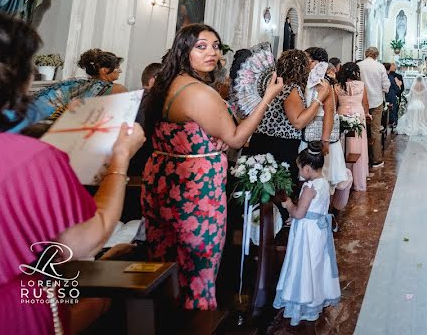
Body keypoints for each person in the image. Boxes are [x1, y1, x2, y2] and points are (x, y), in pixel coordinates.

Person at [0, 8, 145, 335]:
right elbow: (83, 242)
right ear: (5, 79)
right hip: (3, 316)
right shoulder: (28, 158)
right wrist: (120, 159)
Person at [140, 24, 284, 309]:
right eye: (201, 46)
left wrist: (205, 143)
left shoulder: (164, 86)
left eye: (216, 46)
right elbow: (237, 138)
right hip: (195, 192)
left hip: (160, 181)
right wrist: (267, 98)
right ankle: (196, 318)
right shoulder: (199, 93)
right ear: (184, 50)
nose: (212, 52)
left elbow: (181, 133)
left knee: (165, 267)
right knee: (197, 271)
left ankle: (166, 319)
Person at [274, 144, 341, 326]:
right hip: (318, 231)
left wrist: (288, 204)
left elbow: (299, 213)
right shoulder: (324, 182)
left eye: (299, 168)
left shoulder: (309, 187)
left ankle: (302, 300)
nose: (299, 172)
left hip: (307, 233)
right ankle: (317, 295)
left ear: (307, 169)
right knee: (317, 263)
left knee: (303, 263)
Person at [244, 49, 327, 185]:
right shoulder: (291, 88)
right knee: (280, 190)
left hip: (261, 140)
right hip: (279, 145)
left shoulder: (273, 85)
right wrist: (319, 99)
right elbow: (298, 122)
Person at [303, 47, 351, 216]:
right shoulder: (306, 81)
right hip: (308, 133)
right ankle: (308, 212)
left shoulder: (324, 83)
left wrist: (325, 140)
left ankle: (326, 215)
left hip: (324, 135)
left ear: (315, 62)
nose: (305, 63)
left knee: (326, 178)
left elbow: (330, 111)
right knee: (309, 178)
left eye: (307, 59)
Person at [27, 48, 129, 124]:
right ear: (104, 70)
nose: (120, 71)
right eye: (117, 67)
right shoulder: (118, 89)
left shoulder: (75, 83)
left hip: (31, 119)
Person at [336, 62, 370, 191]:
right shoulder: (361, 85)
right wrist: (366, 113)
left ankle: (343, 177)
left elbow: (334, 104)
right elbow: (365, 103)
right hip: (358, 115)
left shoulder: (337, 86)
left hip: (341, 114)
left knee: (342, 145)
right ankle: (358, 179)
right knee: (358, 146)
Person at [358, 47, 389, 169]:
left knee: (361, 129)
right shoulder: (379, 66)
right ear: (376, 55)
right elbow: (386, 85)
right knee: (375, 131)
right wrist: (381, 90)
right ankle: (376, 160)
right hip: (376, 101)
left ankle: (362, 158)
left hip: (360, 101)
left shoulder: (359, 65)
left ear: (366, 54)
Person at [385, 62, 404, 130]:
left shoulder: (387, 76)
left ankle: (391, 123)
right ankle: (393, 123)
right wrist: (398, 91)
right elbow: (399, 88)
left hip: (386, 95)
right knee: (393, 110)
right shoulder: (393, 77)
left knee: (389, 110)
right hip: (392, 95)